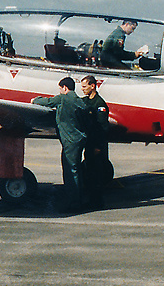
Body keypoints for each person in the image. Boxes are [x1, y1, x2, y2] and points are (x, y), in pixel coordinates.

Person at [33, 77, 87, 212]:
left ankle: (74, 204)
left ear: (65, 88)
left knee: (70, 171)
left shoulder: (64, 98)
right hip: (79, 139)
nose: (60, 91)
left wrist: (35, 100)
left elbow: (48, 102)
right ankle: (79, 199)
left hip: (70, 140)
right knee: (76, 170)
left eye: (60, 88)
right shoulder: (79, 101)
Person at [80, 75, 110, 209]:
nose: (82, 89)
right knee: (90, 171)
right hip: (89, 143)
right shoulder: (85, 101)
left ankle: (97, 202)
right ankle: (92, 200)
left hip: (96, 145)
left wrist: (98, 146)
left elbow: (102, 127)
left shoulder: (100, 104)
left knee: (96, 174)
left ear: (93, 86)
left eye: (84, 86)